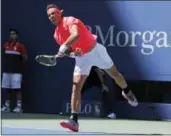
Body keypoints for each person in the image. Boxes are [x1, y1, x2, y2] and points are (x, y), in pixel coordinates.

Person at [46, 4, 138, 132]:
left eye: (53, 13)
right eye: (49, 15)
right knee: (76, 86)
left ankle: (127, 91)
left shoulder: (70, 20)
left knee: (115, 74)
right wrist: (73, 53)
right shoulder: (57, 35)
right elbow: (69, 52)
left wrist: (64, 46)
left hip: (96, 51)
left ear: (60, 12)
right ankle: (74, 120)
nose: (51, 16)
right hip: (82, 58)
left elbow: (76, 35)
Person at [1, 29, 27, 113]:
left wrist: (18, 65)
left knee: (17, 89)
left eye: (13, 34)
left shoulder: (20, 46)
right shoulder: (5, 45)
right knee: (7, 88)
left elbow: (25, 57)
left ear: (17, 36)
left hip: (17, 71)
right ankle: (7, 106)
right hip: (6, 70)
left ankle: (19, 107)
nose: (12, 36)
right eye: (10, 34)